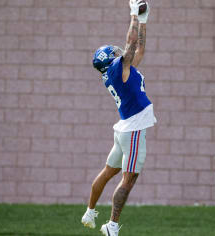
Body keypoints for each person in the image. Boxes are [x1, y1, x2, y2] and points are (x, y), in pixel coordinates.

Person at [81, 1, 155, 235]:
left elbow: (139, 50)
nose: (117, 53)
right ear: (108, 61)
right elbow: (131, 44)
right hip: (133, 129)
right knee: (128, 179)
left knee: (107, 171)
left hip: (125, 128)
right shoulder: (116, 70)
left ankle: (90, 211)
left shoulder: (117, 71)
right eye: (112, 54)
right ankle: (112, 225)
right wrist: (134, 15)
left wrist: (143, 21)